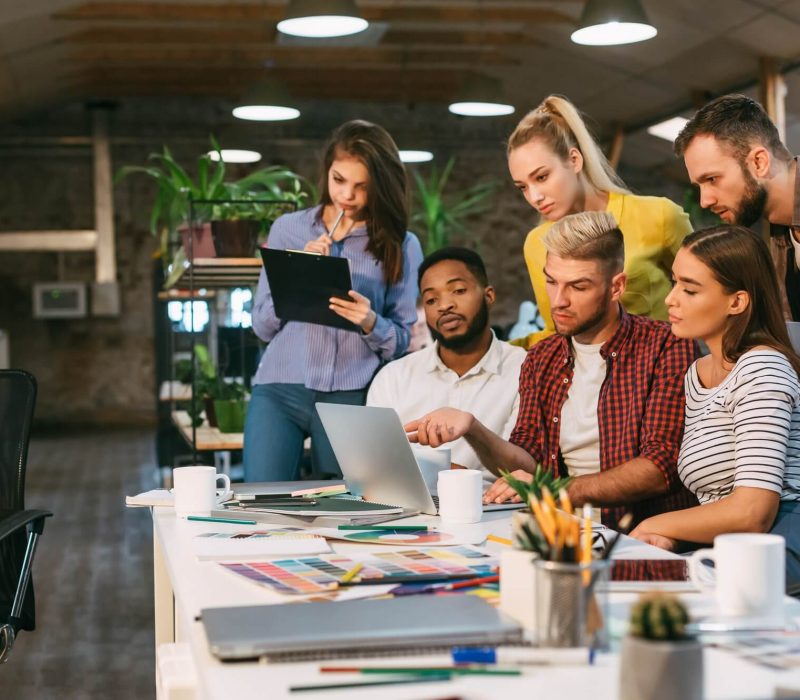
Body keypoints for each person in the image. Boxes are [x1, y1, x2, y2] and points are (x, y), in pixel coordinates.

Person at [404, 211, 698, 531]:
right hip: (559, 532)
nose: (558, 300)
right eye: (551, 281)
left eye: (578, 286)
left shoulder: (665, 345)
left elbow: (660, 467)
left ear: (616, 287)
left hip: (639, 536)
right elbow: (529, 462)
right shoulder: (543, 356)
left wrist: (552, 491)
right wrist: (473, 428)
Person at [244, 120, 424, 482]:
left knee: (346, 511)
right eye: (338, 180)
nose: (347, 195)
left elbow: (403, 341)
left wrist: (370, 321)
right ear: (326, 170)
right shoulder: (287, 229)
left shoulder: (402, 245)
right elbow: (261, 326)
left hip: (351, 394)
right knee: (258, 500)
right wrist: (297, 277)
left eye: (362, 187)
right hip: (280, 387)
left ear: (380, 186)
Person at [629, 226, 800, 592]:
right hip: (732, 545)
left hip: (781, 541)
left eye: (690, 289)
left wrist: (658, 525)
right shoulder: (698, 374)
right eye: (674, 283)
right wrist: (673, 538)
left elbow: (752, 511)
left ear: (737, 302)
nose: (671, 300)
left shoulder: (762, 368)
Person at [507, 94, 692, 348]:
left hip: (663, 373)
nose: (534, 197)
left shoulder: (658, 216)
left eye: (541, 177)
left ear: (574, 160)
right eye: (522, 187)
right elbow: (556, 332)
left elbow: (707, 293)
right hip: (584, 381)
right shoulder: (537, 243)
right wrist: (495, 352)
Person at [367, 247, 526, 480]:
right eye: (431, 299)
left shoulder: (525, 368)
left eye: (458, 291)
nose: (444, 306)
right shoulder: (394, 377)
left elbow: (529, 466)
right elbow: (371, 463)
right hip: (409, 507)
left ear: (489, 295)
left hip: (494, 508)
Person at [674, 94, 800, 319]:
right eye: (699, 186)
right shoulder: (781, 231)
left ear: (759, 163)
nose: (705, 201)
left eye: (712, 179)